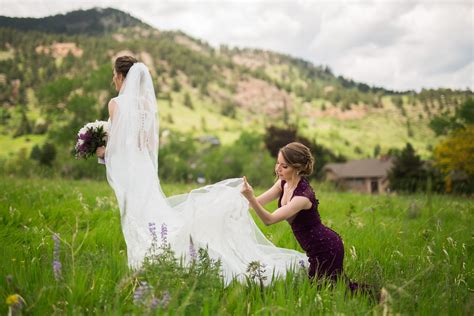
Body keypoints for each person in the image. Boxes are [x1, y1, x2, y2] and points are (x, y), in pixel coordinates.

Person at [96, 56, 307, 284]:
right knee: (151, 213)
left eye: (114, 75)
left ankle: (149, 263)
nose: (113, 80)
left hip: (131, 170)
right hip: (145, 169)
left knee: (137, 216)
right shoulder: (147, 105)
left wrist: (100, 152)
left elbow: (118, 146)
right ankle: (158, 260)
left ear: (119, 76)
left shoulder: (116, 104)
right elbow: (145, 144)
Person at [240, 142, 346, 283]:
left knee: (331, 289)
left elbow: (269, 220)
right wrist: (233, 206)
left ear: (298, 168)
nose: (278, 169)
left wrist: (251, 197)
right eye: (277, 163)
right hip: (313, 248)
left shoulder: (302, 197)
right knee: (327, 288)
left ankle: (378, 296)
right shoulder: (283, 183)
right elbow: (255, 203)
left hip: (326, 248)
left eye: (284, 166)